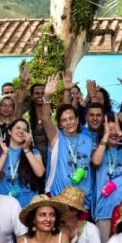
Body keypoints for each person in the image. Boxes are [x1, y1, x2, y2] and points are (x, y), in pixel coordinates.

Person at [40, 75, 96, 214]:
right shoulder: (56, 137)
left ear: (77, 120)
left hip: (83, 201)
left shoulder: (88, 139)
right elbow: (45, 118)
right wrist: (46, 96)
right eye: (64, 120)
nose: (68, 122)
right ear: (60, 124)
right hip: (58, 199)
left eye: (71, 118)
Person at [91, 115, 122, 238]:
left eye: (116, 129)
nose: (113, 133)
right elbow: (96, 161)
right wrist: (105, 136)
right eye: (109, 129)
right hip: (106, 211)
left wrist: (121, 134)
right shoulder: (98, 150)